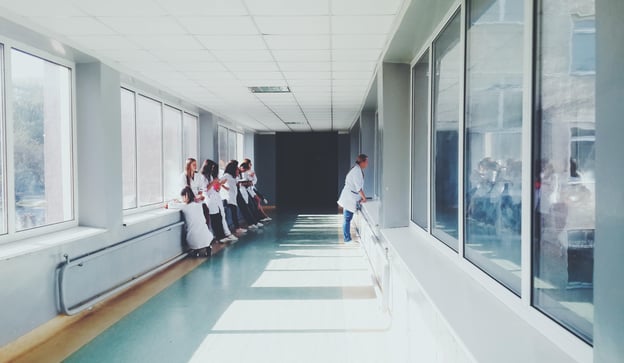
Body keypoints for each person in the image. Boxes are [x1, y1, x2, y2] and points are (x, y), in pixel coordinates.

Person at [168, 187, 214, 257]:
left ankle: (196, 250)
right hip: (207, 237)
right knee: (203, 231)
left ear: (186, 196)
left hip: (193, 240)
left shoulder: (184, 207)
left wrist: (177, 202)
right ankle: (208, 248)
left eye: (182, 197)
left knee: (194, 238)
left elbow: (168, 205)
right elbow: (201, 198)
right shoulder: (199, 204)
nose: (182, 199)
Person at [200, 159, 238, 243]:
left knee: (219, 217)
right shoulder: (203, 177)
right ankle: (219, 237)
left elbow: (216, 189)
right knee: (214, 218)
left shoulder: (210, 176)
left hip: (216, 198)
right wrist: (214, 182)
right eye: (212, 167)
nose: (213, 169)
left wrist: (218, 184)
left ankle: (223, 235)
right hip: (210, 200)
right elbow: (205, 189)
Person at [337, 154, 368, 242]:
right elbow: (358, 188)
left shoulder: (357, 169)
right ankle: (347, 239)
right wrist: (364, 198)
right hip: (349, 198)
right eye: (366, 161)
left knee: (347, 218)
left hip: (350, 197)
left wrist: (362, 198)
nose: (367, 164)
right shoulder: (356, 171)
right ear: (362, 162)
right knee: (347, 218)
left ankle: (347, 238)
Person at [222, 160, 247, 235]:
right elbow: (219, 183)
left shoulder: (233, 176)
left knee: (234, 212)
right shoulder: (226, 175)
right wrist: (226, 188)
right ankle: (237, 228)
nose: (238, 170)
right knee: (234, 213)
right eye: (236, 169)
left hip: (234, 196)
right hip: (230, 197)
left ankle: (237, 227)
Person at [243, 158, 271, 222]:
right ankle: (262, 217)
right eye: (250, 164)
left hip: (251, 188)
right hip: (248, 190)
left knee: (258, 201)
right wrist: (251, 180)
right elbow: (247, 181)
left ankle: (264, 216)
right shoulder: (245, 172)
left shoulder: (251, 171)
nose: (251, 165)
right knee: (257, 201)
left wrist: (252, 180)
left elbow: (255, 180)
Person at [237, 162, 264, 228]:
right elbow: (239, 183)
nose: (244, 171)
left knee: (252, 206)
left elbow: (251, 181)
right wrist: (245, 183)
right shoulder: (237, 174)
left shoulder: (243, 173)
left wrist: (249, 182)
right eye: (244, 169)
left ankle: (255, 222)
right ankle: (251, 223)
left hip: (246, 191)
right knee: (247, 209)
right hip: (241, 193)